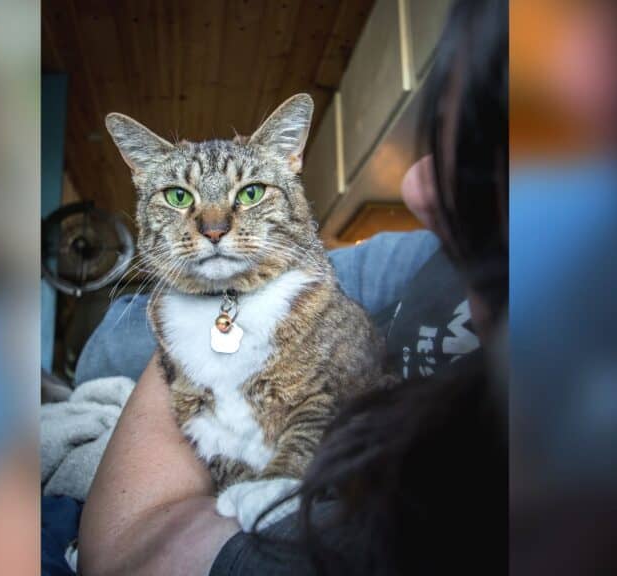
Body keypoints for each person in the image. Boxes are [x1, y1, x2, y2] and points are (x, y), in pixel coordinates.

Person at [77, 0, 507, 573]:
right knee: (112, 334)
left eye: (248, 193)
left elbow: (128, 552)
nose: (212, 222)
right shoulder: (424, 257)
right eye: (178, 197)